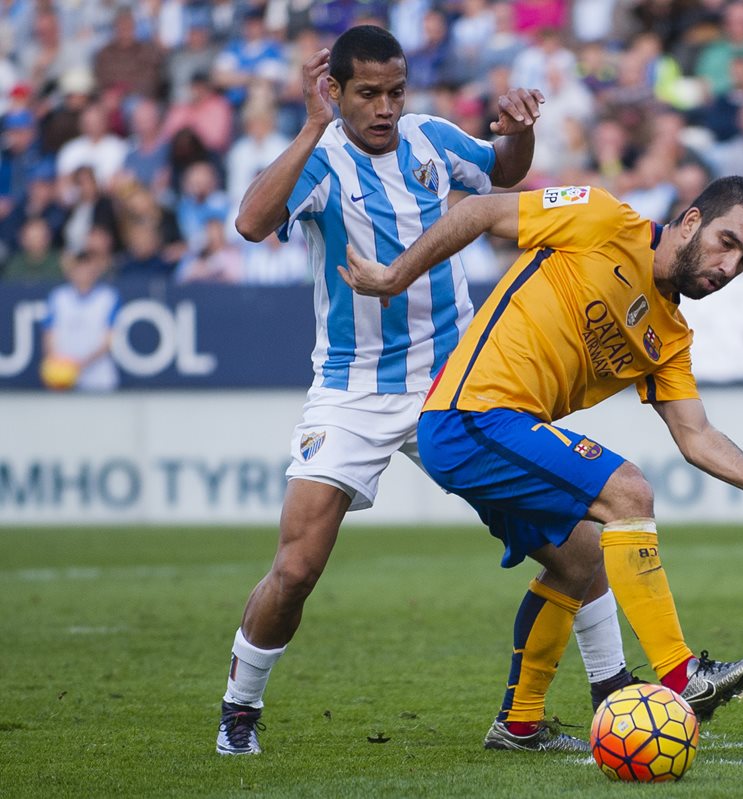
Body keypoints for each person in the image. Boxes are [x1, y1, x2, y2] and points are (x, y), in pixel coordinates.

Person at [215, 24, 634, 758]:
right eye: (368, 93)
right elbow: (251, 223)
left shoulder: (433, 140)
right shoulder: (319, 161)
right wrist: (311, 126)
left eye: (396, 91)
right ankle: (239, 707)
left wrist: (519, 132)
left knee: (575, 547)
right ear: (335, 90)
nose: (385, 107)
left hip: (459, 384)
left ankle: (613, 703)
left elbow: (503, 174)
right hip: (353, 391)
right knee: (298, 566)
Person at [339, 176, 743, 750]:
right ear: (692, 221)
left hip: (503, 433)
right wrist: (397, 275)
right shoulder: (602, 219)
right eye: (727, 242)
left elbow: (695, 435)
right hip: (470, 414)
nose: (729, 266)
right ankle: (682, 676)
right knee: (629, 492)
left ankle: (518, 725)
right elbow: (476, 211)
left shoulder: (669, 335)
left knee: (580, 559)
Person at [41, 234, 120, 392]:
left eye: (87, 269)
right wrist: (57, 364)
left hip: (99, 377)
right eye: (79, 268)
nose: (83, 273)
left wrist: (80, 364)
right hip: (63, 377)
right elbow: (48, 333)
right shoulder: (59, 297)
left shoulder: (108, 297)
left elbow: (109, 340)